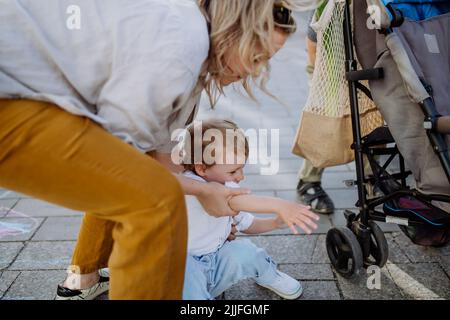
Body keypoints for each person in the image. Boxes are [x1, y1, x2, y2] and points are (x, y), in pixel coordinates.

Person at [0, 0, 306, 299]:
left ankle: (86, 276)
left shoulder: (191, 62)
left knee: (145, 193)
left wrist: (212, 216)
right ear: (236, 29)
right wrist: (204, 192)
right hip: (10, 89)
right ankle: (91, 276)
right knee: (155, 204)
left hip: (25, 94)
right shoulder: (181, 49)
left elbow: (159, 164)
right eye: (258, 54)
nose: (257, 70)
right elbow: (125, 160)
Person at [179, 119, 319, 300]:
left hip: (216, 261)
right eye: (233, 171)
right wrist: (280, 205)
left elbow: (248, 223)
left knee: (247, 252)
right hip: (187, 273)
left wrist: (275, 223)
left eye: (242, 168)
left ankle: (269, 275)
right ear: (201, 168)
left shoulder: (224, 182)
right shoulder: (193, 185)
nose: (241, 176)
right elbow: (239, 202)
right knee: (188, 281)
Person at [296, 6, 336, 215]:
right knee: (324, 117)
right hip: (326, 62)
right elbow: (313, 42)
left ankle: (373, 179)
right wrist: (319, 78)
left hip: (370, 58)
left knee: (374, 118)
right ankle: (308, 180)